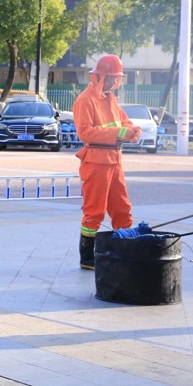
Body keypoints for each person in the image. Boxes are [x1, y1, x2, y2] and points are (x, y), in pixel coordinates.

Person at [73, 54, 141, 270]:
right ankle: (87, 257)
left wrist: (132, 130)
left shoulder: (110, 98)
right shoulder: (85, 100)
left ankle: (125, 249)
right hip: (96, 162)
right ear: (100, 76)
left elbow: (123, 121)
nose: (114, 81)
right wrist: (120, 132)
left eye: (116, 78)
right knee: (94, 212)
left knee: (122, 209)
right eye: (111, 77)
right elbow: (85, 133)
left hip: (114, 160)